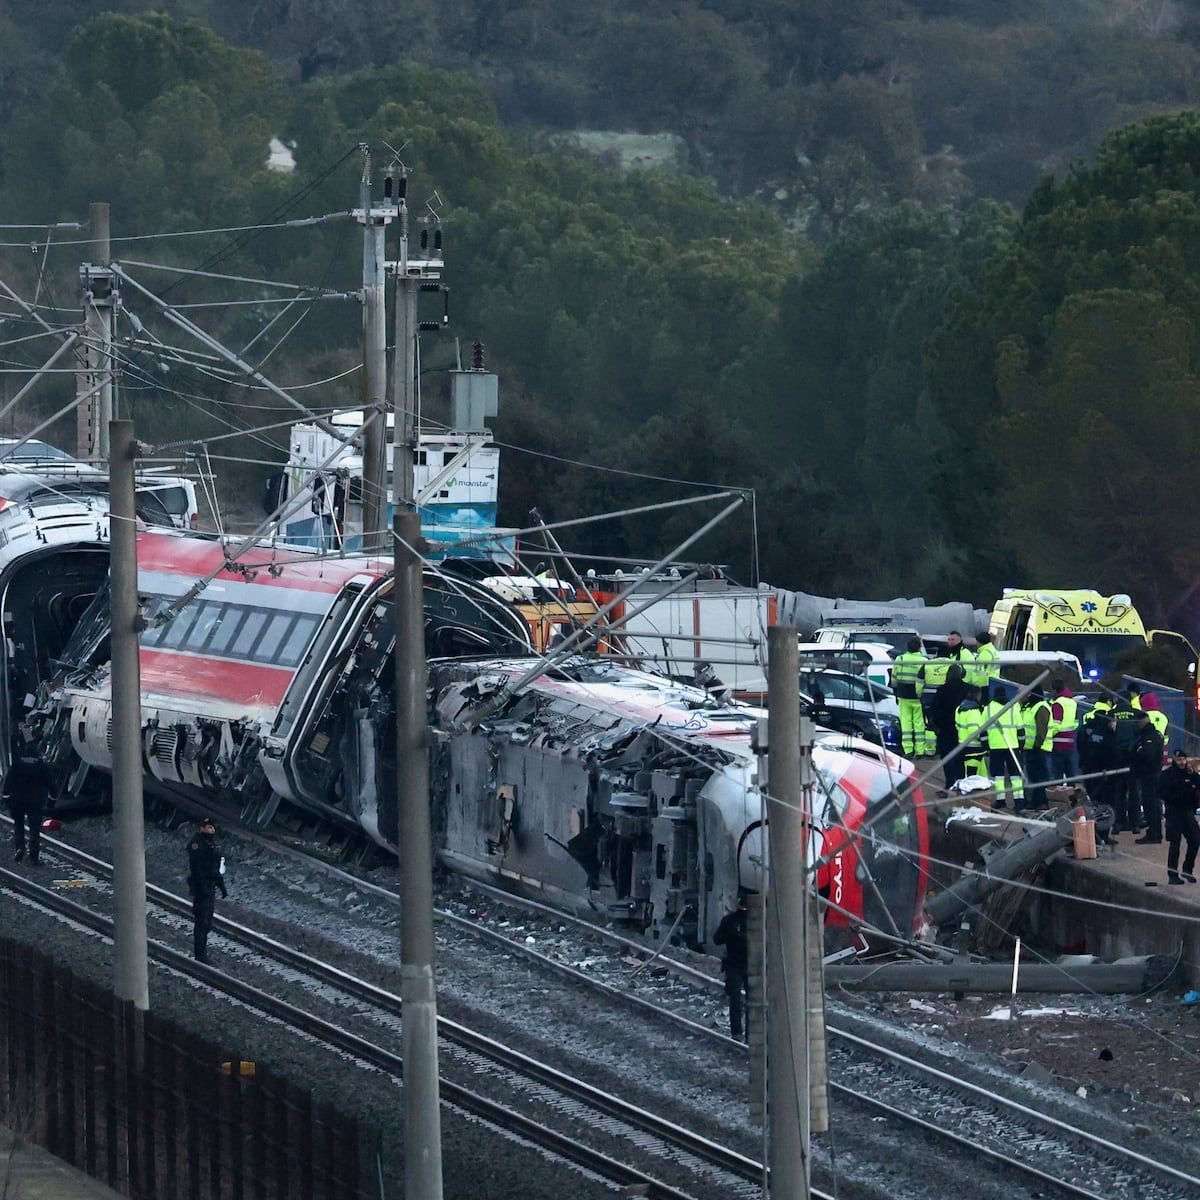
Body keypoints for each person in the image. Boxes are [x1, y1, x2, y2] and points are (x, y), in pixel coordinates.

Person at [2, 736, 51, 864]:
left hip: (17, 801)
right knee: (34, 830)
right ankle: (34, 857)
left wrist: (6, 798)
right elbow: (51, 785)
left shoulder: (17, 764)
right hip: (36, 803)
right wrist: (52, 801)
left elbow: (8, 782)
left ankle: (19, 848)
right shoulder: (41, 766)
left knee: (18, 825)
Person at [188, 816, 228, 963]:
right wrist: (204, 886)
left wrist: (221, 886)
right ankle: (200, 954)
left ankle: (202, 952)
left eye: (212, 827)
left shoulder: (211, 845)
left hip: (209, 888)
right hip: (201, 888)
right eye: (208, 827)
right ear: (202, 828)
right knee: (202, 922)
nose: (211, 830)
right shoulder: (197, 845)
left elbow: (215, 869)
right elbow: (199, 869)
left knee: (207, 922)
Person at [1159, 750, 1200, 884]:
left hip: (1188, 812)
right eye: (1179, 760)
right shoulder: (1167, 775)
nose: (1182, 762)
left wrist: (1193, 774)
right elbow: (1161, 792)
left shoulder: (1189, 773)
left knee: (1195, 840)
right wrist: (1176, 797)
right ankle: (1172, 875)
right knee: (1175, 844)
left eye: (1183, 759)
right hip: (1174, 813)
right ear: (1174, 760)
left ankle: (1187, 870)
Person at [713, 895, 749, 1040]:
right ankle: (738, 1033)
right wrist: (732, 935)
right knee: (736, 999)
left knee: (748, 1001)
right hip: (735, 964)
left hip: (749, 964)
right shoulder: (730, 921)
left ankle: (747, 1034)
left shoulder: (754, 922)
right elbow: (717, 939)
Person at [984, 685, 1024, 809]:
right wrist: (1020, 745)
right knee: (1015, 775)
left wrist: (986, 746)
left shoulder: (988, 709)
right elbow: (1020, 730)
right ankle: (1019, 802)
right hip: (1012, 746)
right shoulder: (1013, 708)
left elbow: (983, 731)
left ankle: (1001, 801)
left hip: (995, 746)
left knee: (998, 776)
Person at [892, 637, 932, 758]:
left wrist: (895, 692)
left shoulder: (900, 659)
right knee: (919, 724)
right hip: (918, 697)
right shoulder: (925, 661)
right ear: (919, 647)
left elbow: (894, 678)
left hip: (903, 695)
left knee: (906, 723)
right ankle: (920, 751)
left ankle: (908, 750)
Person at [1130, 713, 1165, 845]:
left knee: (1152, 805)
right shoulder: (1146, 735)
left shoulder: (1150, 736)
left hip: (1151, 775)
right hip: (1148, 775)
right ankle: (1153, 832)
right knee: (1150, 804)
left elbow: (1147, 754)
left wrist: (1138, 751)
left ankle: (1154, 834)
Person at [1078, 708, 1119, 818]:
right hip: (1104, 770)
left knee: (1093, 795)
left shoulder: (1087, 729)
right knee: (1106, 797)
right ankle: (1106, 819)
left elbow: (1081, 747)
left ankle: (1094, 816)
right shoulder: (1108, 733)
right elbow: (1111, 752)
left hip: (1088, 766)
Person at [930, 663, 967, 784]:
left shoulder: (942, 690)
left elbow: (935, 709)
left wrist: (937, 725)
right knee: (961, 756)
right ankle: (961, 781)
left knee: (947, 756)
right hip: (962, 729)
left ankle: (950, 782)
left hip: (946, 728)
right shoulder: (967, 689)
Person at [1021, 687, 1053, 808]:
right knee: (1034, 777)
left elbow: (1041, 730)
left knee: (1041, 777)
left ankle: (1042, 802)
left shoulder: (1041, 707)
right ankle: (1035, 802)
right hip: (1031, 748)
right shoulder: (1031, 707)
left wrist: (1037, 745)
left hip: (1040, 749)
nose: (1028, 696)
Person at [954, 685, 989, 779]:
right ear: (978, 694)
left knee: (979, 777)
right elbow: (974, 731)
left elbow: (957, 726)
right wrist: (985, 739)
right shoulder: (974, 710)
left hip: (963, 746)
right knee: (972, 779)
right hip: (974, 749)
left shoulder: (959, 708)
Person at [1049, 680, 1080, 783]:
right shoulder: (1073, 703)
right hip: (1070, 740)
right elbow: (1076, 722)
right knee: (1069, 770)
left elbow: (1056, 724)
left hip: (1058, 741)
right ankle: (1072, 791)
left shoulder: (1057, 703)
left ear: (1054, 690)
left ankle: (1059, 791)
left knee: (1057, 772)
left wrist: (1049, 736)